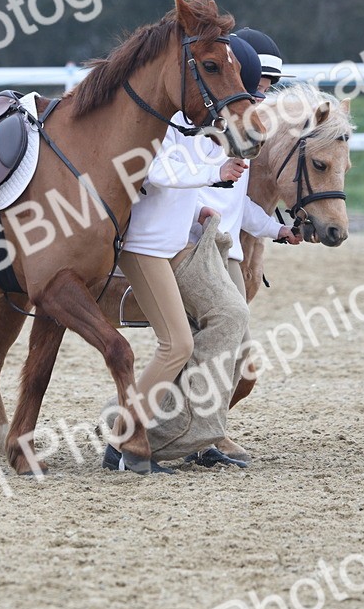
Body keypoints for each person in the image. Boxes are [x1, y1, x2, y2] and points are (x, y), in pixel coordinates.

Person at [104, 71, 249, 475]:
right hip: (143, 250)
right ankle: (124, 441)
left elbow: (179, 180)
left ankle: (123, 442)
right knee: (177, 346)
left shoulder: (183, 127)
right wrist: (215, 175)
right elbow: (158, 173)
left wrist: (197, 207)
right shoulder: (152, 125)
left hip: (164, 246)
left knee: (178, 345)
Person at [193, 26, 301, 465]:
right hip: (201, 249)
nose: (263, 98)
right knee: (223, 353)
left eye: (269, 88)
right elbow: (197, 190)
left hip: (229, 251)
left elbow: (241, 204)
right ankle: (191, 435)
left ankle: (202, 434)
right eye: (259, 85)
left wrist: (279, 231)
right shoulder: (206, 130)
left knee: (239, 364)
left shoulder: (240, 133)